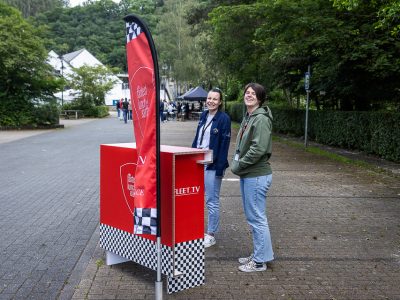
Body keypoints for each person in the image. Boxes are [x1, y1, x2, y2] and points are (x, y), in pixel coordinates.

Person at [231, 82, 274, 272]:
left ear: (260, 98)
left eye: (253, 93)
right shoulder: (250, 116)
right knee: (254, 217)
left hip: (256, 175)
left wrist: (239, 164)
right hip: (249, 174)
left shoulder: (261, 119)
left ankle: (258, 262)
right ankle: (260, 254)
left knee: (257, 218)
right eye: (247, 92)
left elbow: (258, 148)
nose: (248, 95)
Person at [192, 88, 231, 248]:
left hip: (213, 165)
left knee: (211, 200)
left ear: (220, 102)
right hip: (198, 162)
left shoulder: (224, 119)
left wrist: (219, 168)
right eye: (209, 98)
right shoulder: (203, 115)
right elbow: (197, 139)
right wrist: (190, 155)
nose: (211, 101)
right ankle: (196, 230)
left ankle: (211, 234)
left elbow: (224, 145)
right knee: (198, 197)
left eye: (215, 99)